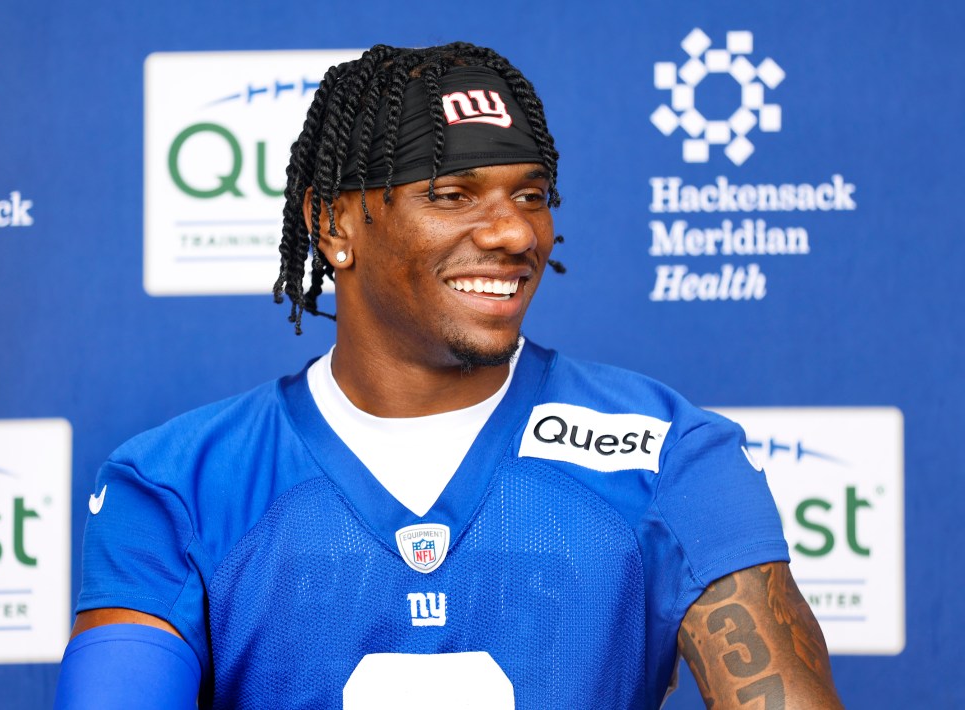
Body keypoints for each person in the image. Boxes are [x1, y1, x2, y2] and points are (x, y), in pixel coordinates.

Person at [55, 42, 843, 709]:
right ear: (333, 225)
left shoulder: (669, 455)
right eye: (452, 194)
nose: (510, 231)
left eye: (529, 196)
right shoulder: (175, 483)